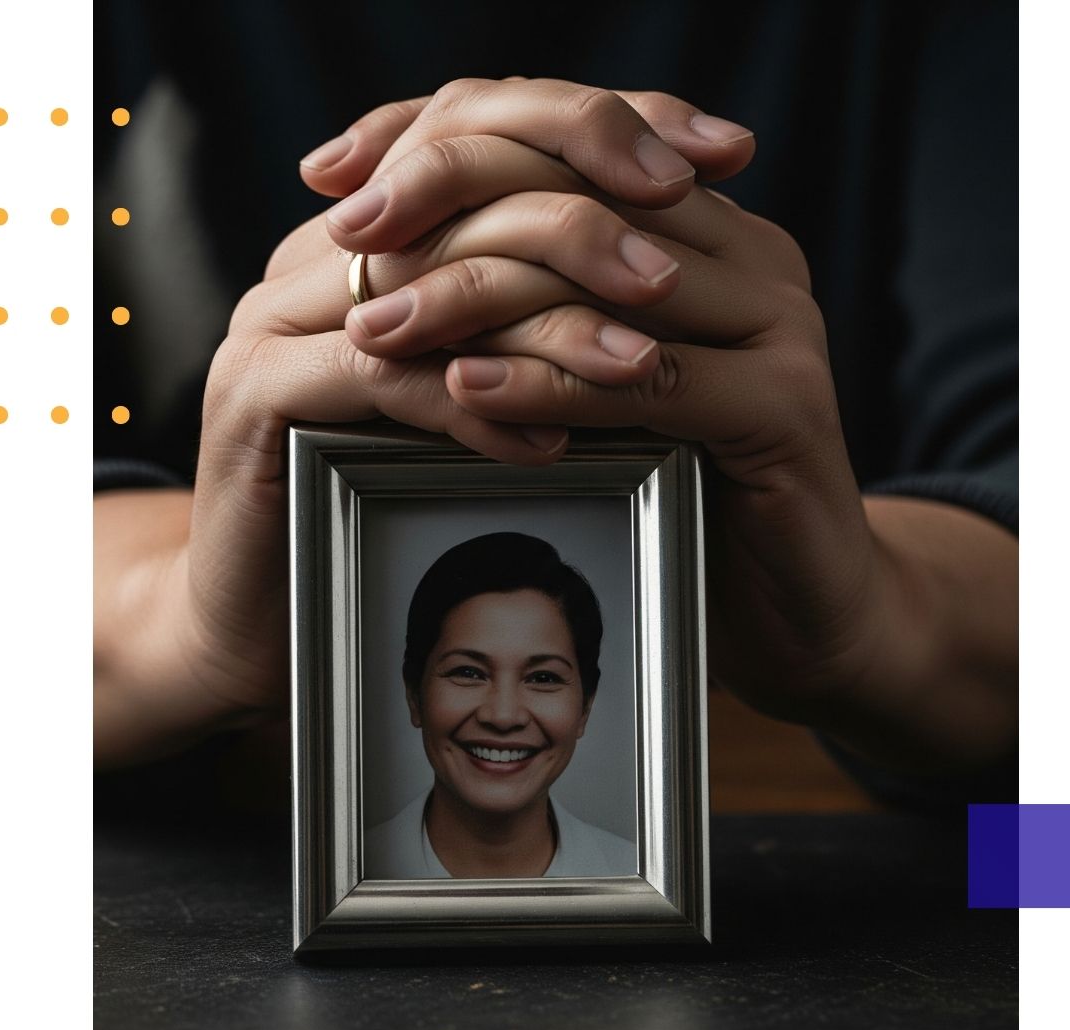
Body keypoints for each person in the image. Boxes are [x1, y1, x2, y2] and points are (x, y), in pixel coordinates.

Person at [94, 3, 1017, 811]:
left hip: (976, 871)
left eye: (540, 674)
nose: (503, 709)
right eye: (469, 671)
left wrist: (879, 622)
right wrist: (179, 619)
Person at [365, 532, 636, 879]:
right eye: (468, 672)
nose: (504, 716)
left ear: (585, 707)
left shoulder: (640, 879)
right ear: (414, 694)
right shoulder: (344, 877)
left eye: (543, 678)